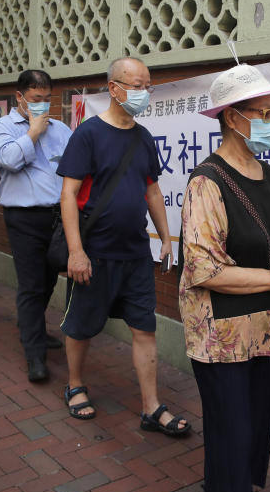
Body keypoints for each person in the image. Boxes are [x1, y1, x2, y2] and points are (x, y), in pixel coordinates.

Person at [178, 63, 270, 492]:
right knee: (231, 432)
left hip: (262, 326)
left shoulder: (267, 175)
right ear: (232, 117)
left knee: (250, 428)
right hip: (220, 332)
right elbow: (203, 269)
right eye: (264, 113)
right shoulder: (206, 182)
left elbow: (263, 235)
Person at [57, 57, 190, 436]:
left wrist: (166, 237)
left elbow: (151, 189)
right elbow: (68, 195)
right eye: (135, 85)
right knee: (82, 326)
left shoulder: (143, 137)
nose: (143, 93)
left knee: (144, 328)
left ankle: (151, 407)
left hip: (135, 253)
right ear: (114, 88)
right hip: (94, 253)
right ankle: (76, 384)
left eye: (147, 86)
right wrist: (76, 251)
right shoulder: (88, 134)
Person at [0, 69, 72, 382]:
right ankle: (34, 353)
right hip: (23, 218)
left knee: (49, 279)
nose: (42, 105)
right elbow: (8, 160)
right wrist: (33, 132)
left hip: (57, 216)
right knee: (31, 284)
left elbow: (73, 167)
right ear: (20, 96)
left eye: (47, 99)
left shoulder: (62, 129)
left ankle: (32, 327)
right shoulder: (3, 127)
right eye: (36, 99)